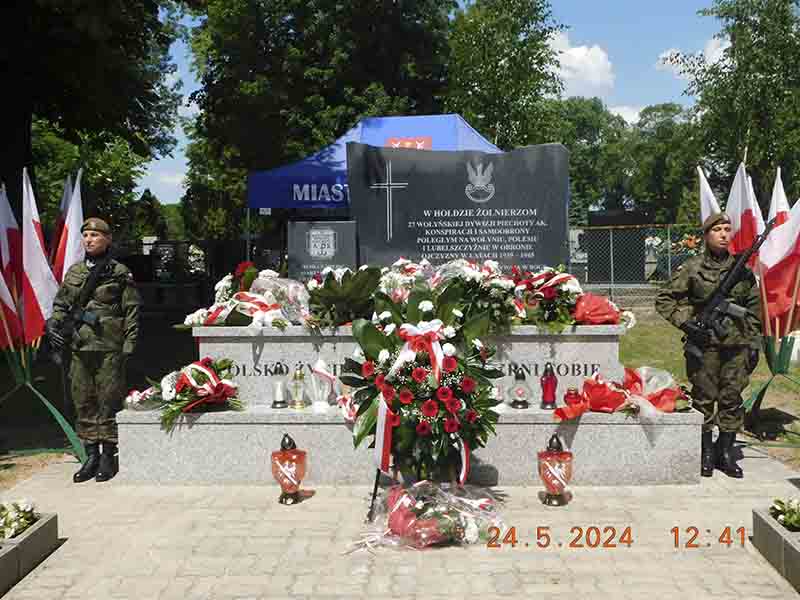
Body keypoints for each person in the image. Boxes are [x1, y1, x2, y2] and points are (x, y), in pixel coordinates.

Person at [655, 213, 761, 479]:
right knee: (703, 398)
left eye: (727, 229)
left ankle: (725, 452)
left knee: (731, 398)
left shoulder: (742, 271)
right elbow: (665, 299)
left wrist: (754, 343)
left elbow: (755, 309)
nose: (724, 234)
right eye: (717, 230)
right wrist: (687, 325)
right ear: (706, 235)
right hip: (705, 345)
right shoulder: (692, 268)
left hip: (736, 344)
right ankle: (705, 452)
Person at [46, 218, 141, 483]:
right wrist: (55, 323)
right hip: (79, 345)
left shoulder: (119, 272)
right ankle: (90, 455)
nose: (89, 240)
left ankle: (108, 454)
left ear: (107, 239)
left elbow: (131, 310)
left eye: (95, 235)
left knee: (108, 399)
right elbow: (61, 303)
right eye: (86, 235)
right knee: (83, 398)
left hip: (109, 346)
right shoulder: (75, 272)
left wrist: (129, 342)